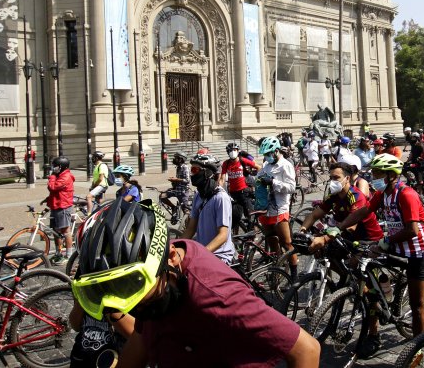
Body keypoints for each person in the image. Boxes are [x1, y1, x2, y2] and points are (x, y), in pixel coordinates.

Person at [71, 202, 321, 368]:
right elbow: (143, 335)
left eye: (131, 286)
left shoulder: (217, 295)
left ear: (169, 258)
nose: (124, 304)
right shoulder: (155, 284)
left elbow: (306, 349)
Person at [334, 153, 424, 357]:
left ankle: (418, 350)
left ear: (391, 175)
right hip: (395, 243)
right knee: (368, 280)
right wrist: (340, 226)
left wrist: (385, 242)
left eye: (378, 173)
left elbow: (412, 230)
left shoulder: (406, 194)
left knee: (417, 305)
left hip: (416, 249)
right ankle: (374, 331)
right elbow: (364, 211)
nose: (373, 177)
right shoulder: (382, 193)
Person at [299, 162, 384, 247]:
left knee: (349, 259)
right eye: (331, 178)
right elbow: (314, 215)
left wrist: (324, 238)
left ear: (347, 179)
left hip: (368, 239)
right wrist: (302, 231)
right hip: (348, 236)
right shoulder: (333, 196)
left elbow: (351, 227)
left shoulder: (356, 196)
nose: (332, 181)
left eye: (336, 178)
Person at [256, 137, 299, 278]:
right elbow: (259, 178)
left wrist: (273, 182)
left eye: (268, 153)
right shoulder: (266, 165)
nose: (266, 157)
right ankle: (278, 271)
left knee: (287, 244)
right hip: (266, 210)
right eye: (264, 155)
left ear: (276, 151)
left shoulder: (286, 165)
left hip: (280, 209)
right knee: (272, 242)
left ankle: (294, 276)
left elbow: (292, 187)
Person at [183, 154, 235, 265]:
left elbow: (223, 235)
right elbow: (191, 229)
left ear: (208, 173)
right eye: (191, 170)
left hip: (219, 256)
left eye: (195, 170)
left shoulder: (221, 198)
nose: (192, 174)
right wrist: (174, 245)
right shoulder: (198, 195)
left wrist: (202, 254)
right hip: (204, 252)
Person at [219, 142, 261, 234]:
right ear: (228, 152)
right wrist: (219, 188)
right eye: (230, 151)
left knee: (250, 215)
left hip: (244, 192)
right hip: (233, 193)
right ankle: (235, 236)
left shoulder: (242, 160)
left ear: (238, 151)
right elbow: (222, 178)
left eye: (234, 150)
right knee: (234, 216)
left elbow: (258, 167)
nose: (233, 152)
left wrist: (258, 179)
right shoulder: (226, 163)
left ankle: (253, 236)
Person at [46, 156, 76, 265]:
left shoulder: (66, 177)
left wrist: (52, 176)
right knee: (55, 232)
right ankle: (59, 253)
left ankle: (69, 256)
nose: (53, 168)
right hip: (55, 206)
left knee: (65, 231)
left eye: (55, 166)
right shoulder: (59, 175)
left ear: (61, 167)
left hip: (63, 207)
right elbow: (54, 192)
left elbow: (52, 187)